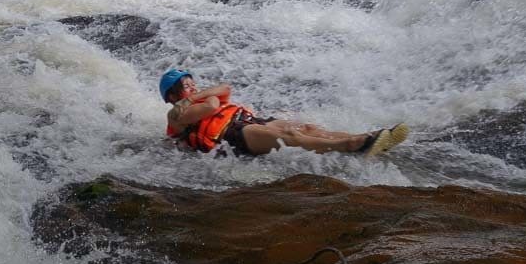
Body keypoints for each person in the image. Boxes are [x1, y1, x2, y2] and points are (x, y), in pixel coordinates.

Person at [160, 69, 409, 156]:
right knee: (289, 136)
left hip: (247, 122)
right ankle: (355, 145)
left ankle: (371, 138)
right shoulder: (176, 116)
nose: (192, 87)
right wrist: (200, 97)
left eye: (192, 82)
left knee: (308, 128)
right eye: (185, 85)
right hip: (231, 137)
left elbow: (225, 88)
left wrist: (194, 94)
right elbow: (213, 105)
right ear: (172, 97)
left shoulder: (193, 98)